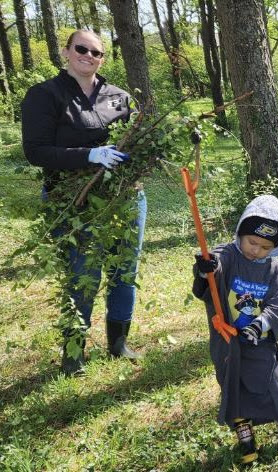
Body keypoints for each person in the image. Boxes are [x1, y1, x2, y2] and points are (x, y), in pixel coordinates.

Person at [21, 30, 143, 375]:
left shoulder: (119, 97)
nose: (89, 56)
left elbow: (137, 139)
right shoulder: (45, 95)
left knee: (124, 268)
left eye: (96, 52)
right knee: (82, 271)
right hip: (72, 198)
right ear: (66, 52)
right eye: (81, 49)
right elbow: (36, 151)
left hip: (124, 196)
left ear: (102, 59)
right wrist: (89, 155)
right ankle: (74, 352)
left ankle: (118, 343)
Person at [192, 195, 278, 465]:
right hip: (227, 343)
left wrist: (259, 325)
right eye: (252, 242)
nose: (256, 250)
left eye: (265, 247)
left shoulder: (274, 270)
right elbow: (213, 272)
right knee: (234, 389)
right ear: (241, 233)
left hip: (259, 342)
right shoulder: (228, 256)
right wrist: (205, 270)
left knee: (275, 385)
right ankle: (246, 439)